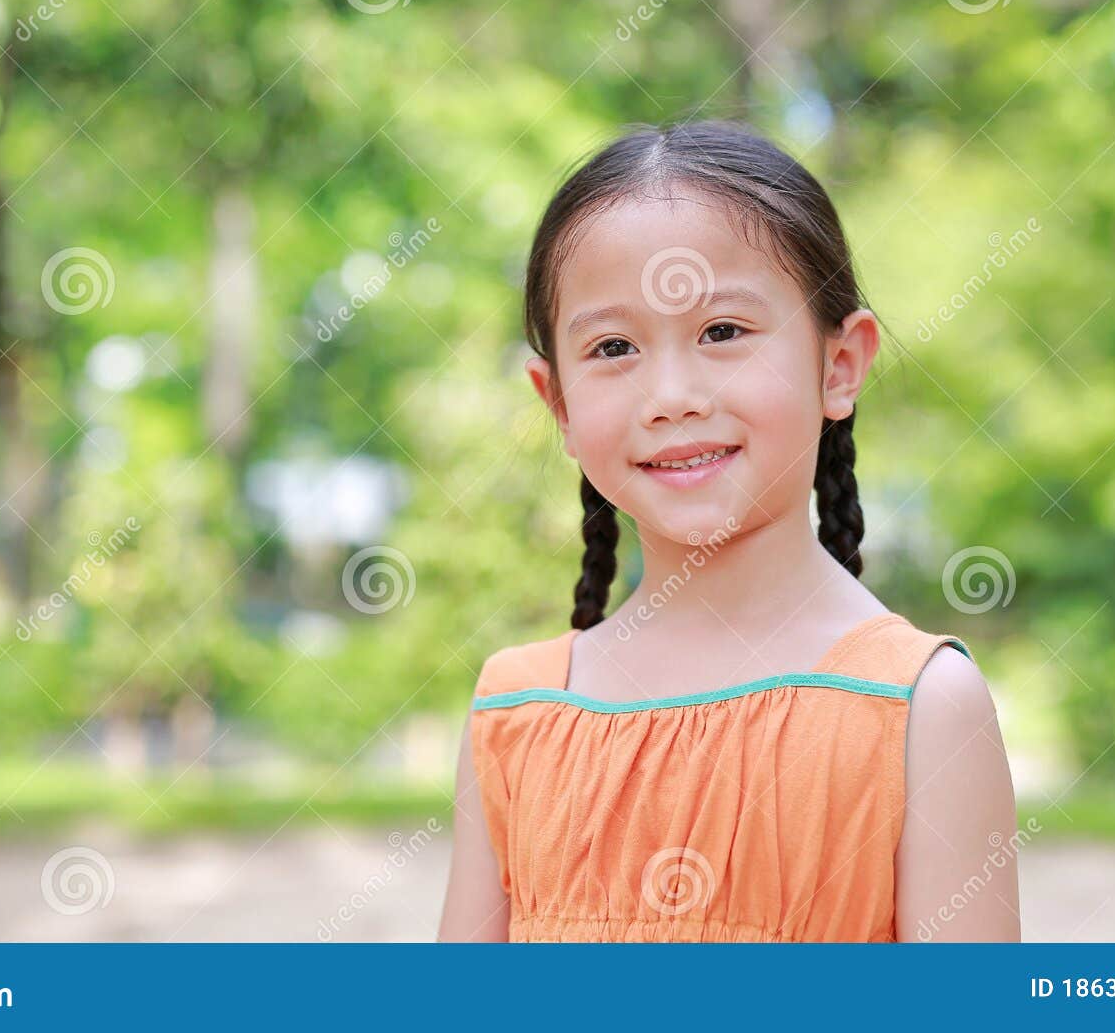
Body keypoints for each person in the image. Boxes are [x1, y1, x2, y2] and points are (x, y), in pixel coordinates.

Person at [437, 120, 1019, 943]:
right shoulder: (517, 709)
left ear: (840, 363)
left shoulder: (923, 708)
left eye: (722, 332)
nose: (672, 393)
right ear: (558, 403)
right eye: (613, 346)